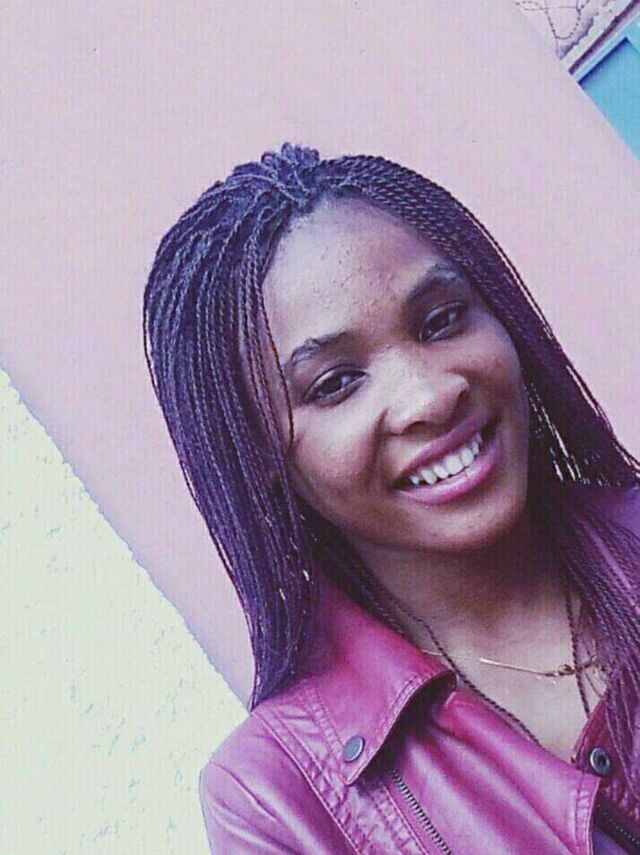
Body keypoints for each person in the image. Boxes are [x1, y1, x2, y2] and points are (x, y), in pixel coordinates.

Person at [142, 144, 640, 853]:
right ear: (262, 461)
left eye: (442, 320)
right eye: (335, 383)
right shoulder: (277, 797)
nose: (431, 395)